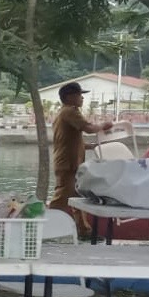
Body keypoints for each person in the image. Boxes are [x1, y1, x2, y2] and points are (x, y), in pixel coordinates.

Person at [51, 82, 113, 238]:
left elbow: (70, 141)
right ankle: (42, 227)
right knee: (60, 199)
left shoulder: (64, 113)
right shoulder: (70, 111)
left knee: (78, 198)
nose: (82, 98)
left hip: (71, 163)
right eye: (79, 95)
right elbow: (89, 128)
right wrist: (104, 125)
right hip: (68, 164)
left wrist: (90, 146)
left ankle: (84, 231)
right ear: (69, 97)